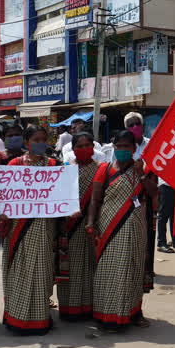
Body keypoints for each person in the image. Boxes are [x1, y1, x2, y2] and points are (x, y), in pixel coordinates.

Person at [86, 130, 152, 331]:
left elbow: (154, 193)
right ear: (113, 147)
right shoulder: (104, 170)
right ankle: (105, 313)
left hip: (134, 227)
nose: (122, 150)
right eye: (119, 146)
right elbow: (95, 200)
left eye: (127, 146)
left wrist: (141, 175)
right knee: (107, 270)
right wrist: (90, 223)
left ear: (134, 148)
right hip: (108, 226)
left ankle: (132, 312)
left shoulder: (143, 168)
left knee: (131, 268)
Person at [0, 125, 57, 334]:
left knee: (41, 272)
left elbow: (60, 196)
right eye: (36, 140)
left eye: (44, 139)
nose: (40, 143)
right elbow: (4, 196)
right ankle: (16, 317)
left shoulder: (53, 165)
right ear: (26, 143)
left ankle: (40, 318)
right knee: (19, 271)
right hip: (18, 228)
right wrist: (3, 212)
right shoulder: (14, 164)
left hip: (44, 228)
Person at [56, 132, 100, 321]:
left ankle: (89, 307)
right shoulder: (65, 169)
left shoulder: (102, 169)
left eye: (88, 145)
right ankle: (69, 309)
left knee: (90, 267)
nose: (84, 149)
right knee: (70, 267)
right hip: (69, 226)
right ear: (72, 149)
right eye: (79, 146)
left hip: (92, 225)